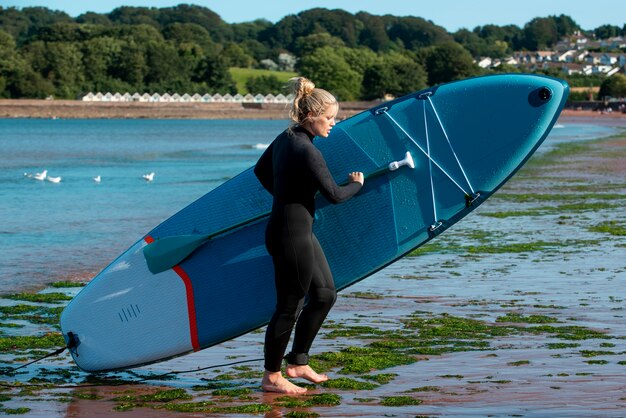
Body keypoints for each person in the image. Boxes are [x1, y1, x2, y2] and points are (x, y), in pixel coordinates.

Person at [254, 77, 364, 394]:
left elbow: (260, 172)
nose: (333, 123)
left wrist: (287, 194)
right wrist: (356, 184)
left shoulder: (285, 139)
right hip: (291, 236)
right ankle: (272, 377)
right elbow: (335, 195)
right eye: (330, 118)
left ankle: (298, 360)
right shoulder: (307, 151)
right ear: (312, 116)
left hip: (294, 230)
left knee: (326, 293)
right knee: (289, 307)